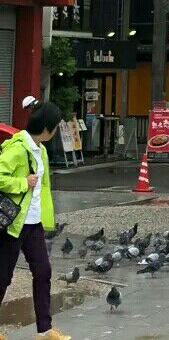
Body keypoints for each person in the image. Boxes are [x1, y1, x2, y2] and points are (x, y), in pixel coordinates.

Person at [0, 101, 71, 340]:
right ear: (47, 128)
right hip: (13, 224)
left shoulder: (40, 150)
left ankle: (45, 331)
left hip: (33, 224)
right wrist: (23, 183)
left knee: (43, 272)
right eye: (56, 127)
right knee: (2, 277)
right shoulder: (18, 148)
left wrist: (45, 218)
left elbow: (43, 189)